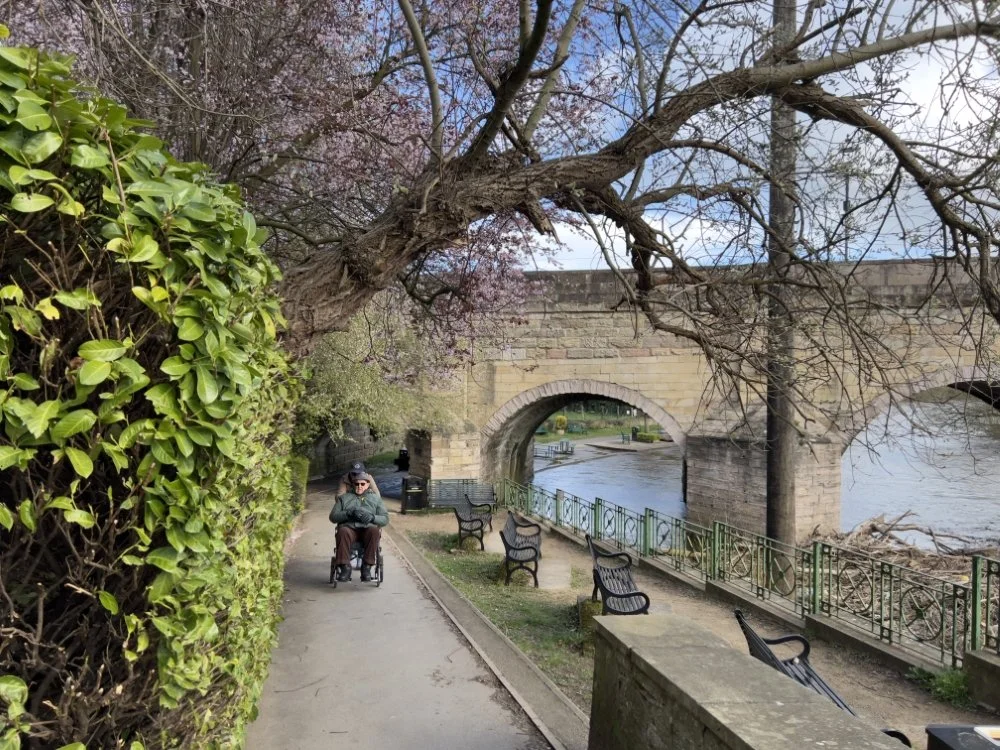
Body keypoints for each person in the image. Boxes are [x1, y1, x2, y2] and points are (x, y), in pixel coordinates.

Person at [329, 472, 388, 582]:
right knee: (343, 531)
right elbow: (333, 517)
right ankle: (345, 567)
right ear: (353, 484)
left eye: (362, 484)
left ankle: (366, 567)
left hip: (367, 529)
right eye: (357, 484)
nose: (359, 486)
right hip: (350, 529)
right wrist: (348, 513)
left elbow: (385, 519)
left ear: (368, 484)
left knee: (374, 531)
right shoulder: (344, 498)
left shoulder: (376, 499)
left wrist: (372, 517)